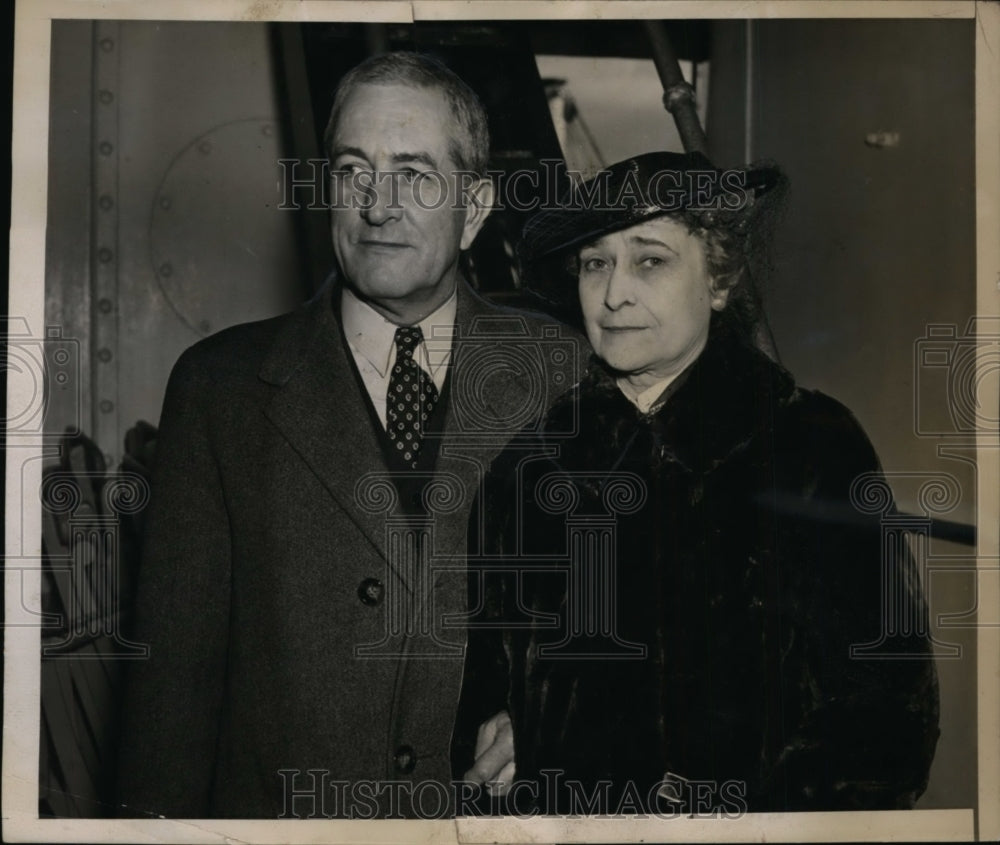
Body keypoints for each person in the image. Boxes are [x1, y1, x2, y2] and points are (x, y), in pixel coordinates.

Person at [116, 51, 580, 819]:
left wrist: (551, 723)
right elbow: (172, 694)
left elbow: (635, 630)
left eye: (415, 173)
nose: (377, 205)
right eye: (353, 169)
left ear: (476, 206)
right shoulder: (220, 387)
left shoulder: (561, 372)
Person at [456, 151, 940, 814]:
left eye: (649, 259)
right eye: (596, 262)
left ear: (718, 277)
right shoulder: (528, 470)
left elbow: (888, 723)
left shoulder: (811, 448)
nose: (614, 292)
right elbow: (487, 690)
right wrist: (508, 730)